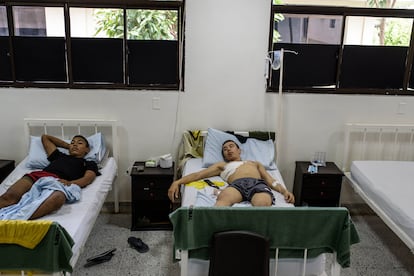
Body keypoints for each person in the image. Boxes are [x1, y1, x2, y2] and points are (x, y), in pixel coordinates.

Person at [168, 139, 295, 206]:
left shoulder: (254, 163)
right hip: (236, 185)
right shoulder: (222, 166)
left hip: (257, 184)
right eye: (224, 149)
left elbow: (271, 180)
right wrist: (177, 182)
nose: (228, 150)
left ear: (239, 150)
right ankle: (222, 238)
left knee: (263, 203)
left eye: (231, 146)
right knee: (222, 200)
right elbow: (198, 175)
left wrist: (284, 191)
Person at [0, 134, 100, 219]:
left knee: (58, 198)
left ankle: (17, 219)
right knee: (9, 197)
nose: (75, 144)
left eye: (80, 143)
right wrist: (68, 146)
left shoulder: (88, 163)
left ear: (87, 149)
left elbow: (87, 179)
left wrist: (70, 183)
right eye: (73, 142)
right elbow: (45, 137)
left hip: (58, 182)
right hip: (37, 176)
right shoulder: (58, 156)